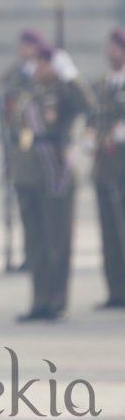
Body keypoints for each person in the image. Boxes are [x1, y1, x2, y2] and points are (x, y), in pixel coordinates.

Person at [8, 46, 92, 321]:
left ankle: (57, 301)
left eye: (45, 64)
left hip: (55, 172)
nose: (39, 69)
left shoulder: (65, 92)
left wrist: (71, 76)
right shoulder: (30, 92)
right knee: (36, 243)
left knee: (57, 241)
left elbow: (87, 106)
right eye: (38, 63)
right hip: (29, 173)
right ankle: (39, 300)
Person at [0, 29, 48, 272]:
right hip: (18, 148)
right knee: (23, 208)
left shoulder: (45, 74)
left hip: (40, 152)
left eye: (28, 45)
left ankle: (39, 254)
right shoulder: (15, 76)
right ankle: (27, 253)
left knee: (41, 211)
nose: (23, 50)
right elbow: (7, 110)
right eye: (21, 45)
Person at [90, 27, 125, 310]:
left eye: (117, 48)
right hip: (105, 166)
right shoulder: (102, 84)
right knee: (109, 232)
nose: (111, 52)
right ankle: (115, 289)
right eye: (110, 47)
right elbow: (94, 117)